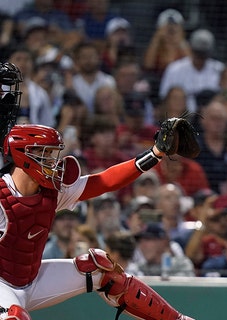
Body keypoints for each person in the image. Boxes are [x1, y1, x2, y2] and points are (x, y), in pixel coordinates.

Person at [0, 62, 193, 319]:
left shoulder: (53, 189)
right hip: (2, 288)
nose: (53, 162)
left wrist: (155, 154)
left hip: (32, 281)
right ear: (23, 157)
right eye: (44, 155)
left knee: (101, 268)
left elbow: (104, 181)